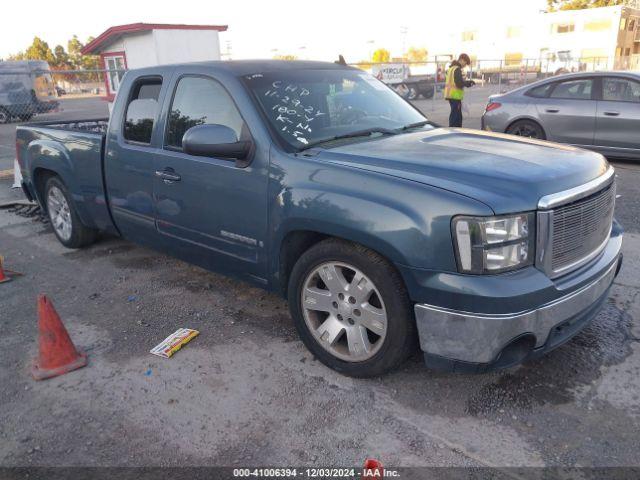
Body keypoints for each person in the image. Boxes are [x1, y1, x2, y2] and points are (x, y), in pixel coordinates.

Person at [444, 53, 475, 127]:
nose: (465, 65)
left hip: (450, 95)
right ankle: (455, 131)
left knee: (455, 114)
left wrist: (466, 82)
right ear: (461, 60)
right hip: (455, 96)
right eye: (465, 63)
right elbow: (459, 83)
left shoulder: (451, 68)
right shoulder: (457, 69)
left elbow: (456, 82)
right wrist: (468, 83)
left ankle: (453, 130)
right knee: (456, 116)